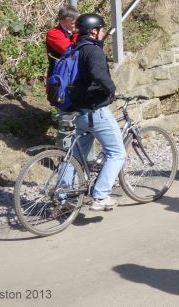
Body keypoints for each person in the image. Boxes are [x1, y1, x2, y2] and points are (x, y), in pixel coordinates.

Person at [68, 13, 126, 212]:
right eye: (102, 29)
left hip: (79, 111)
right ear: (94, 31)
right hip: (95, 111)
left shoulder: (74, 48)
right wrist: (112, 89)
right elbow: (98, 74)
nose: (103, 33)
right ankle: (101, 196)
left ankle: (63, 196)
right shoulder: (93, 51)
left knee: (75, 157)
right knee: (117, 153)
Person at [45, 5, 79, 77]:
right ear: (62, 21)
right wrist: (77, 33)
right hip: (60, 75)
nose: (76, 25)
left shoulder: (74, 31)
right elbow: (70, 51)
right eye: (73, 23)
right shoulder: (53, 33)